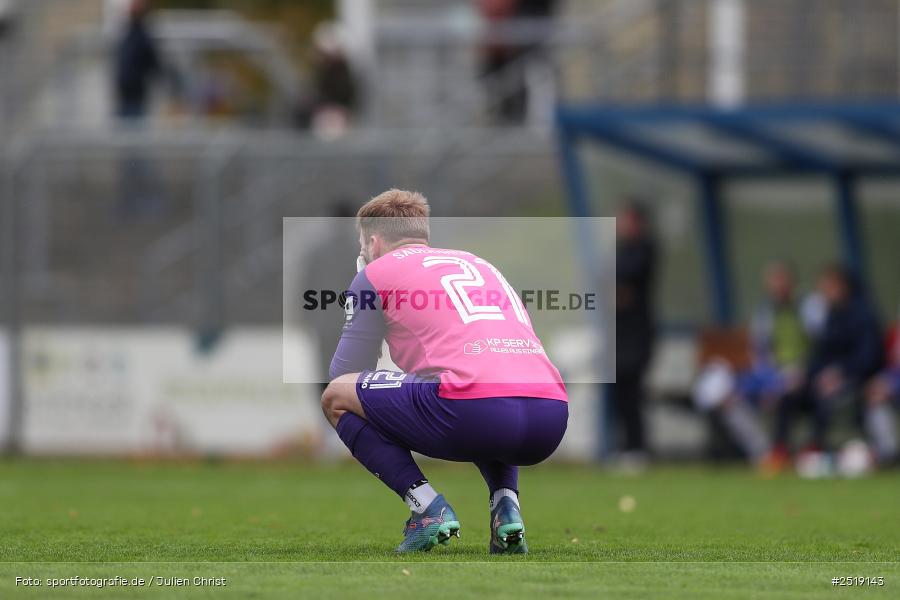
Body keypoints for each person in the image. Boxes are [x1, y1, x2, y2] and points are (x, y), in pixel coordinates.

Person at [320, 189, 568, 553]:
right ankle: (506, 508)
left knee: (335, 398)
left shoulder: (375, 273)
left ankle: (427, 508)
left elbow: (343, 375)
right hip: (551, 414)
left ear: (373, 241)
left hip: (475, 411)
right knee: (480, 382)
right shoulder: (481, 263)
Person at [768, 264, 883, 467]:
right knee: (790, 395)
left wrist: (840, 374)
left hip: (855, 380)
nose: (824, 293)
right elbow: (820, 356)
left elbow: (868, 357)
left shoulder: (864, 316)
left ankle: (816, 448)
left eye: (828, 287)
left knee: (827, 395)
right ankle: (779, 451)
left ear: (842, 287)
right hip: (825, 379)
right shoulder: (831, 317)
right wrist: (804, 375)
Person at [611, 202, 656, 466]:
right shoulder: (623, 250)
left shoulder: (646, 249)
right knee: (619, 391)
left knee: (634, 390)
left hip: (638, 334)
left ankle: (639, 449)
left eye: (626, 221)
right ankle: (626, 447)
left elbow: (626, 274)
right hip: (619, 333)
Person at [113, 0, 161, 120]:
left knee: (134, 130)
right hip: (126, 95)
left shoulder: (142, 37)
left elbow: (153, 63)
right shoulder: (128, 34)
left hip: (135, 96)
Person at [864, 314, 900, 465]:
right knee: (875, 397)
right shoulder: (893, 334)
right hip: (893, 386)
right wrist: (881, 384)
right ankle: (888, 454)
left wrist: (892, 387)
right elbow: (892, 368)